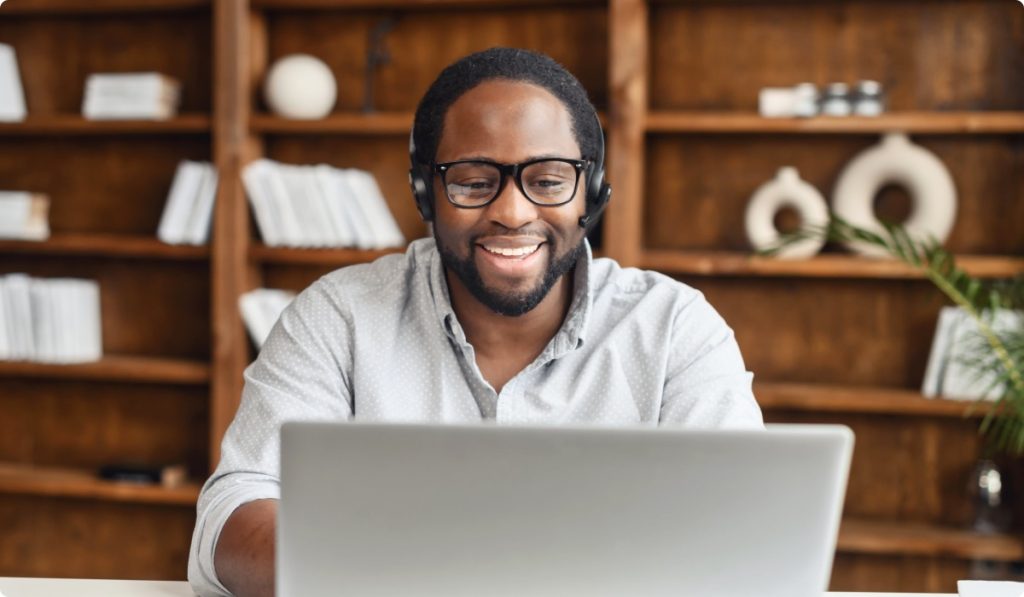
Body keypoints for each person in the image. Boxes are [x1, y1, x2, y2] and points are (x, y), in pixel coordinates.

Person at [188, 47, 763, 597]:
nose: (512, 213)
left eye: (547, 180)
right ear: (424, 192)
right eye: (472, 180)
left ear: (591, 191)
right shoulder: (337, 317)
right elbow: (233, 518)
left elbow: (741, 534)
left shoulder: (676, 328)